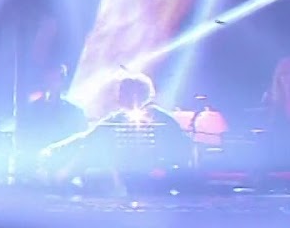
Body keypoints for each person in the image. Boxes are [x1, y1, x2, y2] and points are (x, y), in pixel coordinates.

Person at [40, 70, 194, 193]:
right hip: (129, 177)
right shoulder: (118, 117)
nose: (117, 96)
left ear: (134, 93)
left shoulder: (163, 119)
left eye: (122, 91)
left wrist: (165, 170)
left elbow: (184, 149)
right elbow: (88, 136)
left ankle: (60, 181)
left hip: (157, 183)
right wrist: (56, 148)